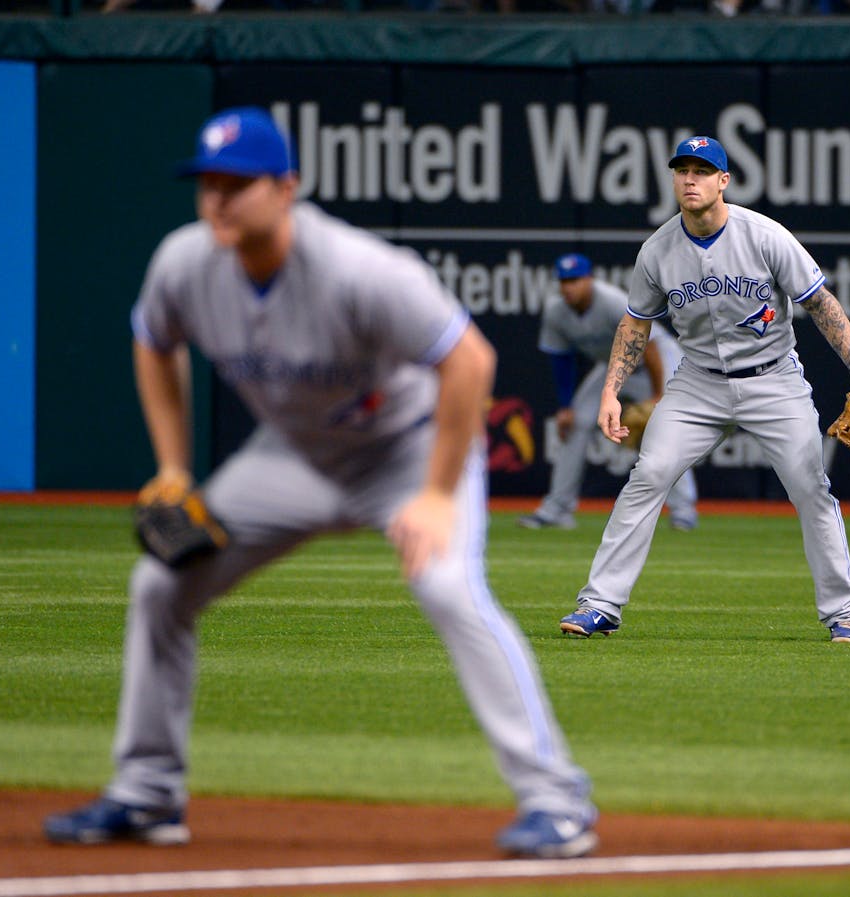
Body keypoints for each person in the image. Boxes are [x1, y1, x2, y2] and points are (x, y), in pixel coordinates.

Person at [43, 107, 598, 858]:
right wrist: (173, 468)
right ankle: (146, 793)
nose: (219, 199)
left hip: (406, 452)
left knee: (447, 588)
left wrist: (437, 496)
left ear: (287, 188)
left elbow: (469, 361)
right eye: (208, 183)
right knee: (160, 582)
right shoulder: (184, 263)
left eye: (238, 184)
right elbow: (153, 341)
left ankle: (558, 802)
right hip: (292, 457)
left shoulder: (358, 270)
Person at [558, 136, 850, 644]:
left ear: (723, 181)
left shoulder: (765, 236)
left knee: (810, 486)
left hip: (774, 379)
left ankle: (844, 612)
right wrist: (610, 391)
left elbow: (820, 304)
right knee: (648, 476)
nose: (690, 179)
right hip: (698, 383)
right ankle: (599, 604)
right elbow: (636, 324)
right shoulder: (658, 250)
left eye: (702, 171)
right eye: (682, 169)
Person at [519, 253, 699, 532]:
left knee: (665, 431)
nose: (569, 287)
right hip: (614, 367)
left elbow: (648, 346)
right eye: (564, 281)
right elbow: (561, 358)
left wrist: (657, 396)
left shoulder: (612, 301)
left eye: (575, 280)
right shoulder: (557, 312)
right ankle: (556, 509)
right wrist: (565, 405)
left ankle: (683, 511)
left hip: (656, 360)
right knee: (574, 422)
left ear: (589, 279)